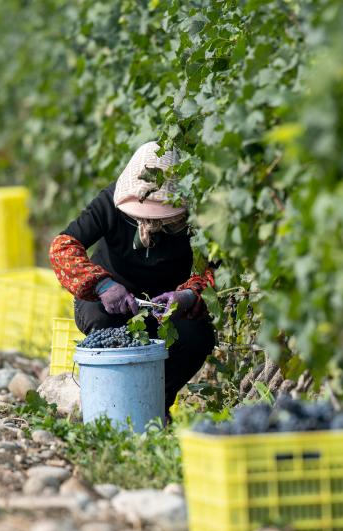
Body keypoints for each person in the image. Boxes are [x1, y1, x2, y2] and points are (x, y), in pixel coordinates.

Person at [49, 141, 217, 413]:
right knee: (100, 319)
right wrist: (102, 285)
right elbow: (63, 246)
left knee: (197, 336)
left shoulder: (198, 217)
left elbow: (212, 271)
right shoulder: (111, 202)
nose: (152, 225)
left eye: (164, 219)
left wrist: (186, 296)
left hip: (167, 309)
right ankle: (110, 406)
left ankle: (153, 406)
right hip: (110, 301)